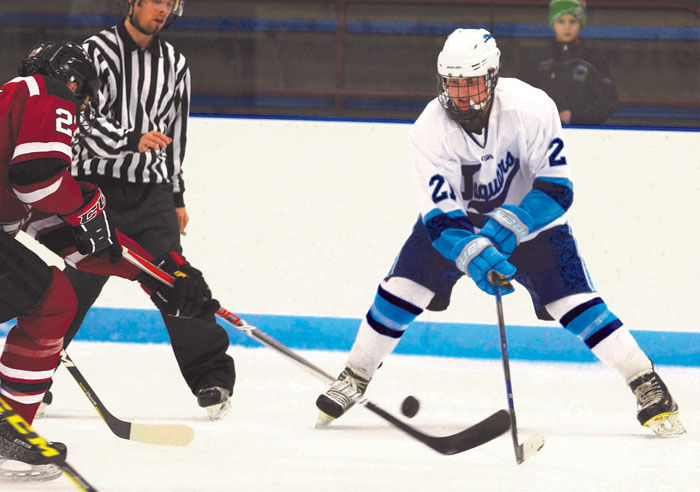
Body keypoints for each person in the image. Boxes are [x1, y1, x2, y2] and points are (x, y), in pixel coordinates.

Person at [315, 28, 685, 438]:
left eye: (471, 83)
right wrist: (475, 252)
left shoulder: (531, 107)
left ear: (492, 76)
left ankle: (644, 380)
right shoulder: (428, 129)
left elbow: (556, 190)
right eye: (453, 84)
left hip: (534, 227)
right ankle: (356, 374)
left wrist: (508, 225)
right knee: (400, 290)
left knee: (577, 304)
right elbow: (439, 217)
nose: (462, 94)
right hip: (459, 229)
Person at [0, 41, 218, 482]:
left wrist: (160, 277)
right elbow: (39, 179)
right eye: (81, 100)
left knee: (52, 297)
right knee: (53, 298)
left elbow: (82, 245)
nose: (77, 113)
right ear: (74, 83)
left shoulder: (11, 126)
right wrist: (85, 202)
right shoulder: (45, 90)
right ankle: (8, 427)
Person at [38, 0, 236, 420]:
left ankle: (210, 376)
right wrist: (130, 139)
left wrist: (177, 194)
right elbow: (82, 116)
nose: (162, 9)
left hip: (152, 193)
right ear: (134, 2)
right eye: (155, 0)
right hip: (98, 189)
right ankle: (35, 369)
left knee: (174, 278)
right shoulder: (95, 51)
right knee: (79, 283)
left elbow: (176, 131)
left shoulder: (175, 62)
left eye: (170, 3)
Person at [519, 0, 617, 125]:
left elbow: (608, 101)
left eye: (573, 21)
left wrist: (577, 115)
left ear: (581, 24)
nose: (567, 27)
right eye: (561, 21)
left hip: (585, 133)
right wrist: (546, 117)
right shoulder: (537, 58)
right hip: (542, 131)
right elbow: (521, 98)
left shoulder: (593, 58)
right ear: (552, 23)